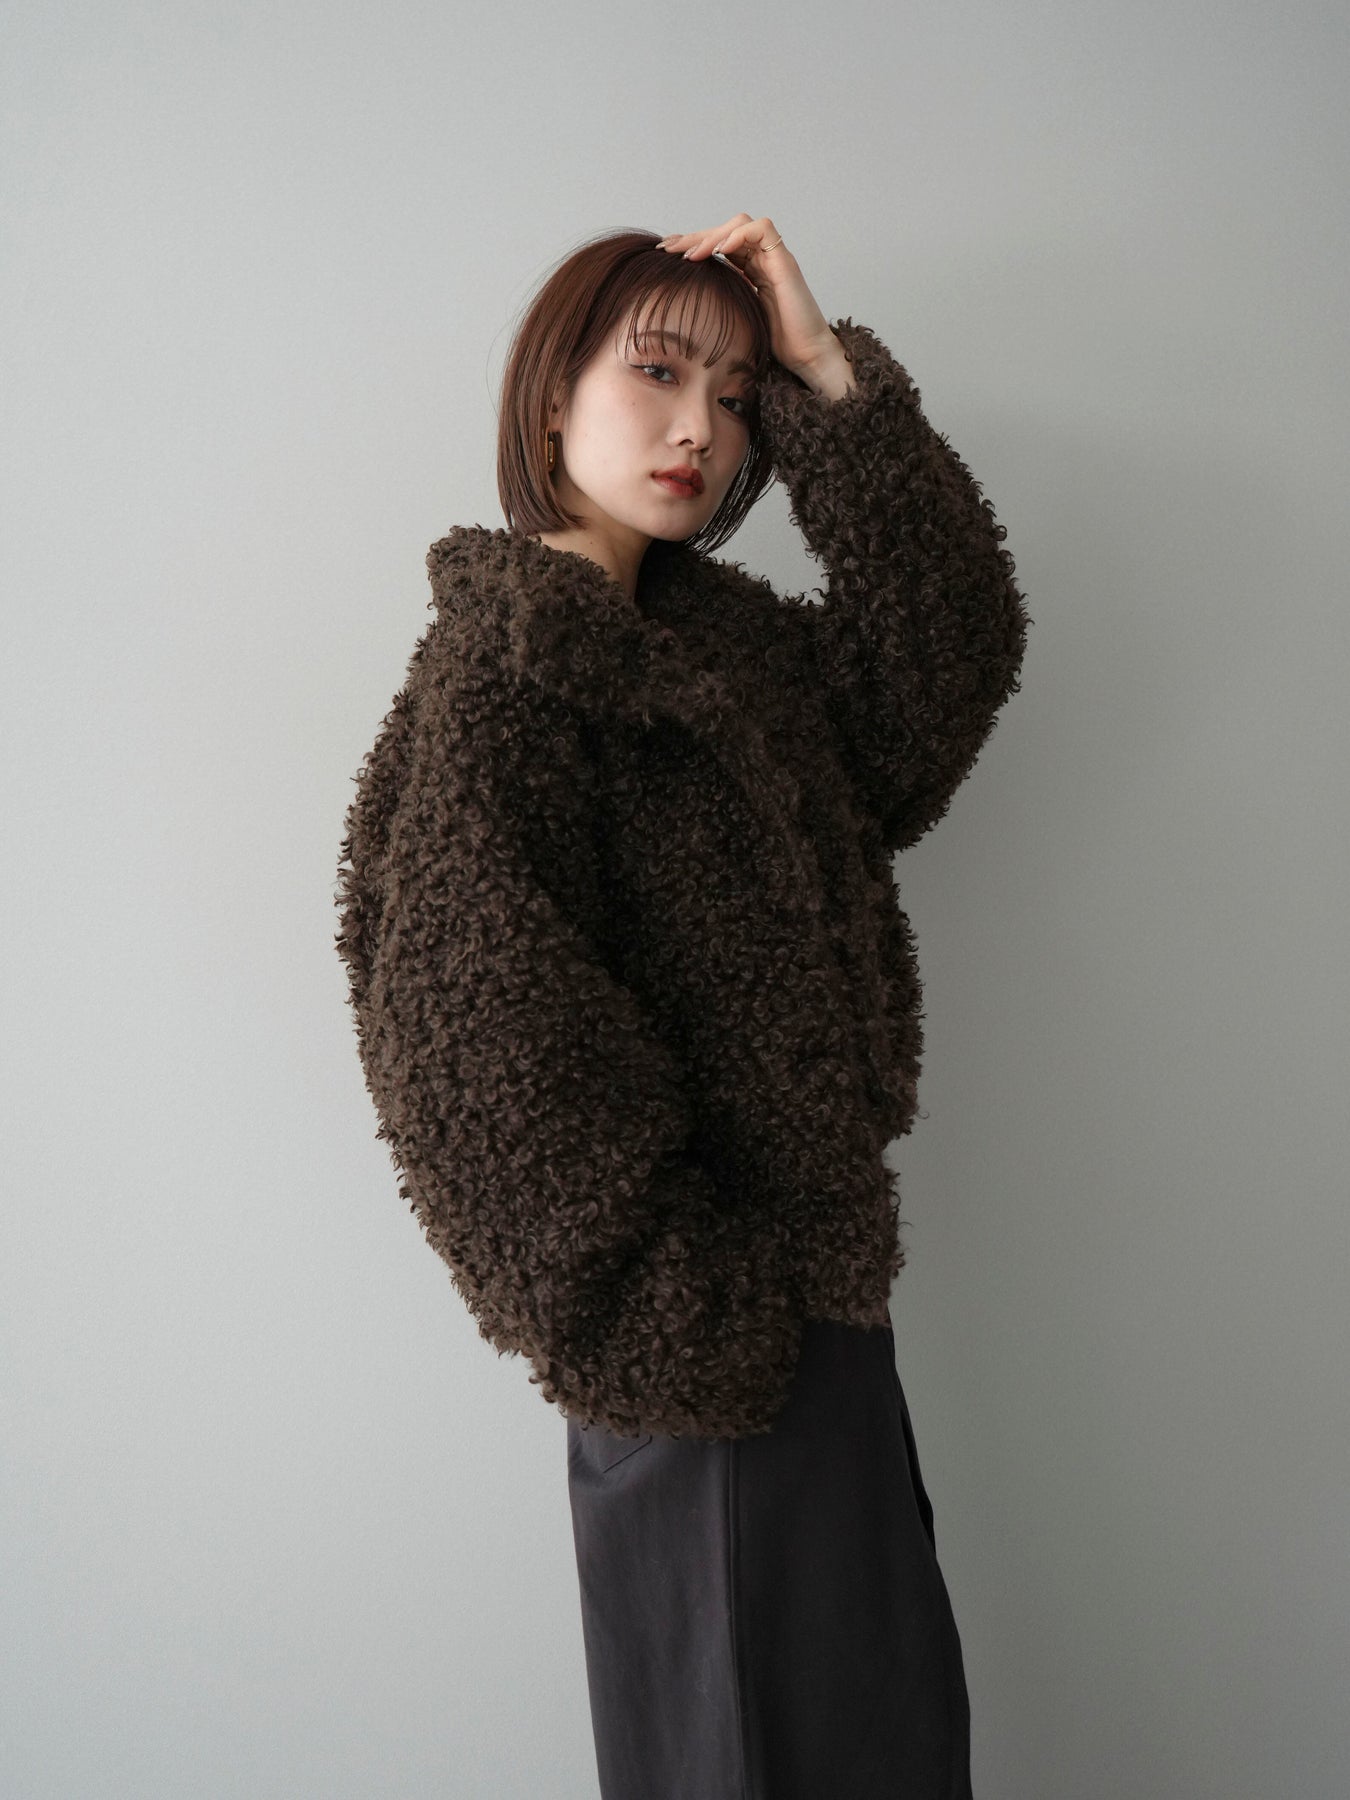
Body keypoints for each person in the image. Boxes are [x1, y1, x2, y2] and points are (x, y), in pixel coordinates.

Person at [335, 213, 1031, 1799]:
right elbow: (466, 1039)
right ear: (548, 402)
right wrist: (683, 1317)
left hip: (808, 1321)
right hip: (706, 1354)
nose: (698, 430)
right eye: (655, 373)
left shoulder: (730, 666)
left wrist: (823, 374)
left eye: (729, 397)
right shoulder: (508, 676)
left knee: (876, 1753)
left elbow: (944, 660)